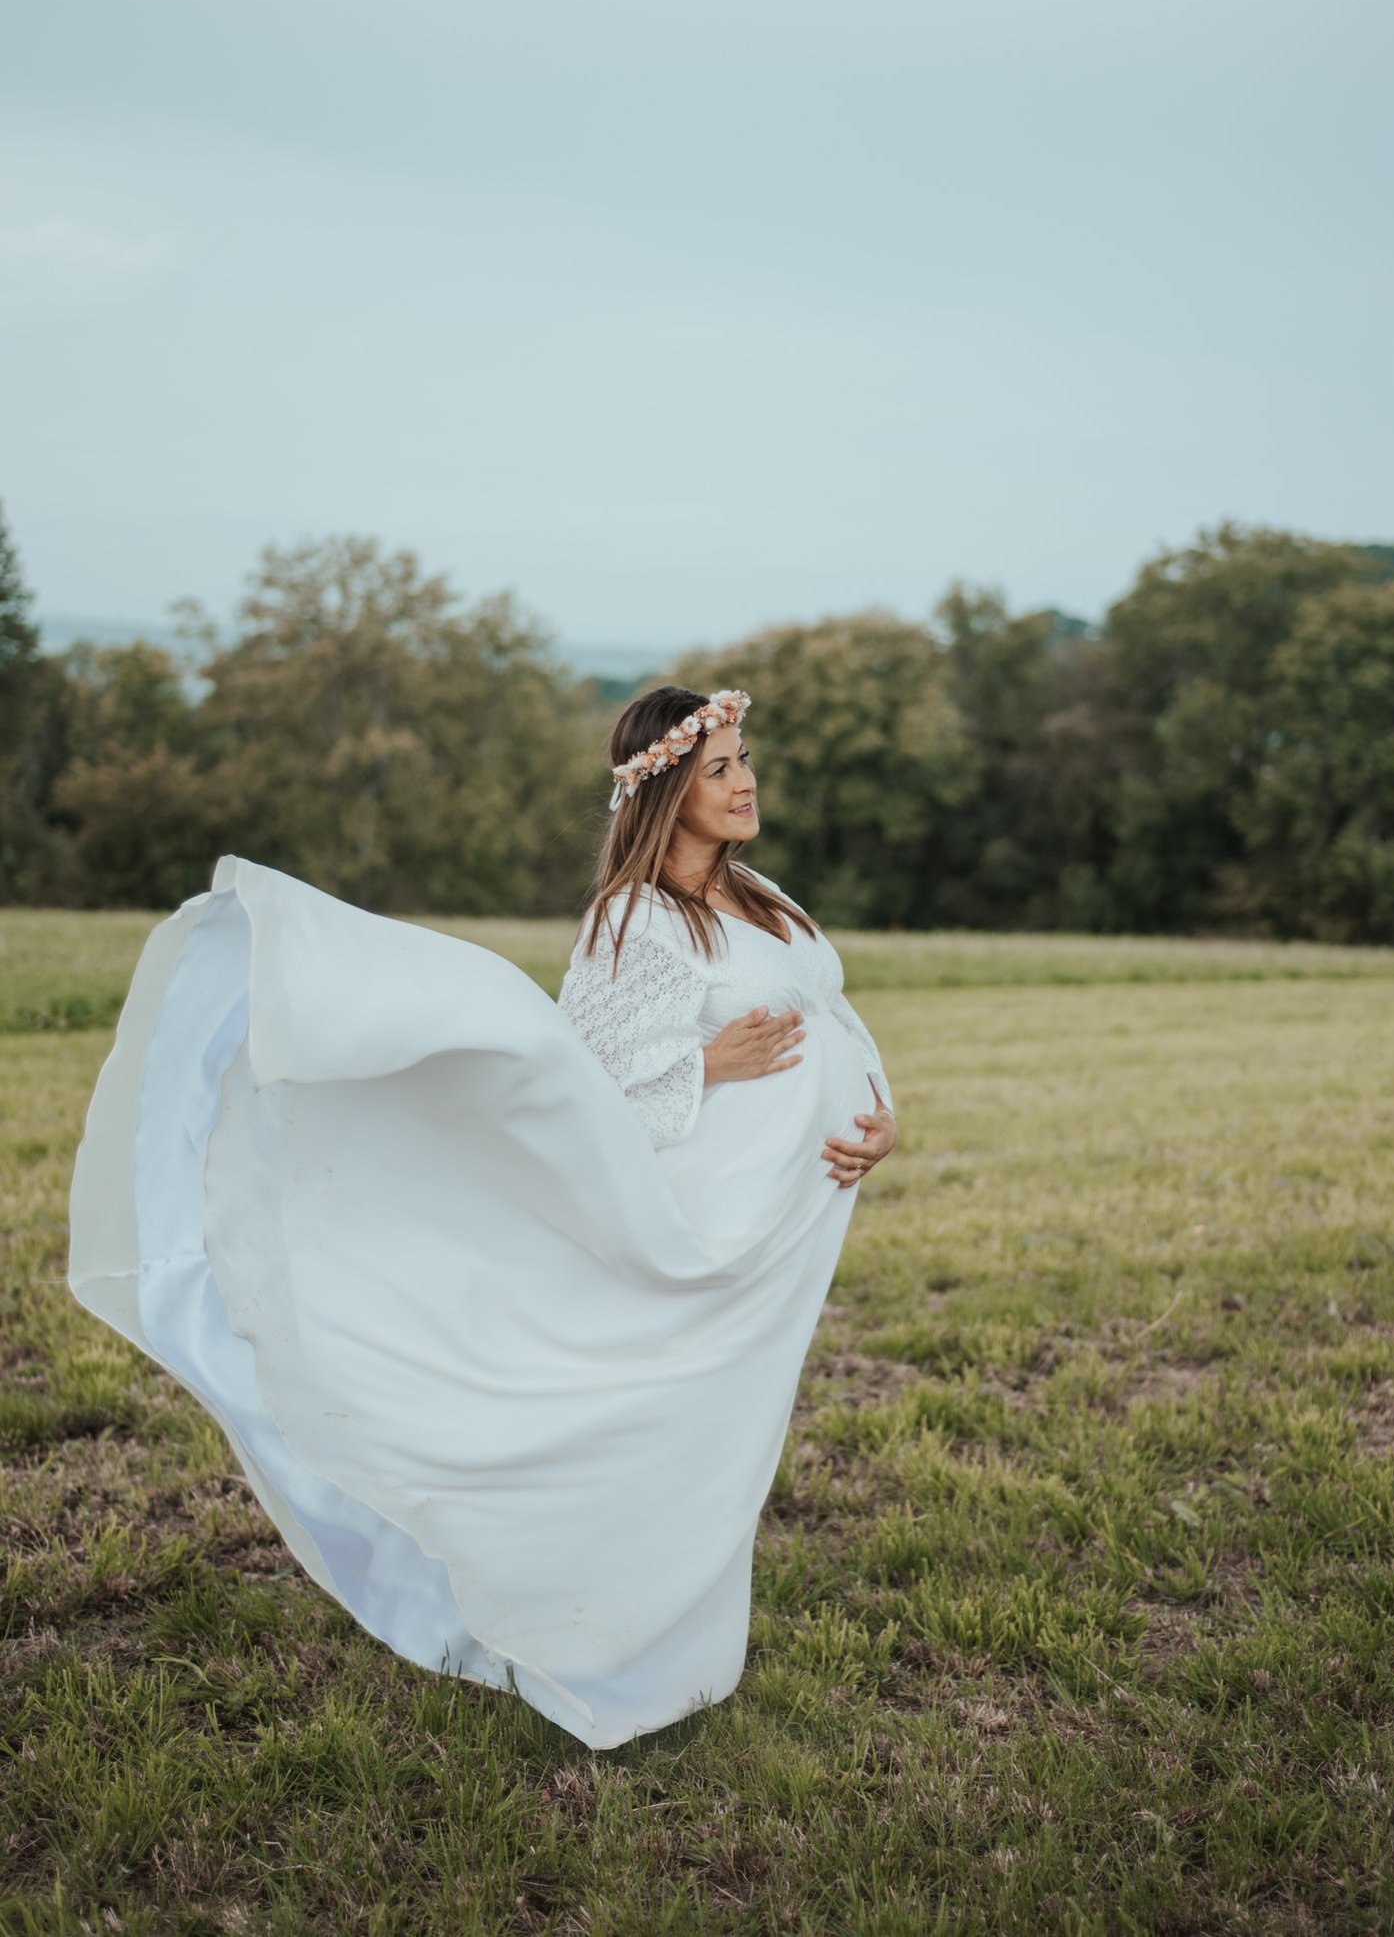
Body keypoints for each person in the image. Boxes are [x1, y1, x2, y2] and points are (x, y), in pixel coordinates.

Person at [68, 683, 897, 1749]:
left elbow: (832, 1012)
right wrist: (706, 1060)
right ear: (664, 788)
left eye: (745, 759)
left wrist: (880, 1120)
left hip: (782, 1225)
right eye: (721, 766)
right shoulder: (633, 921)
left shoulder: (764, 896)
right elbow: (582, 1089)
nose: (746, 782)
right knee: (649, 1414)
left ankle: (648, 1611)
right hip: (699, 1228)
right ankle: (591, 1619)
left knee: (722, 1424)